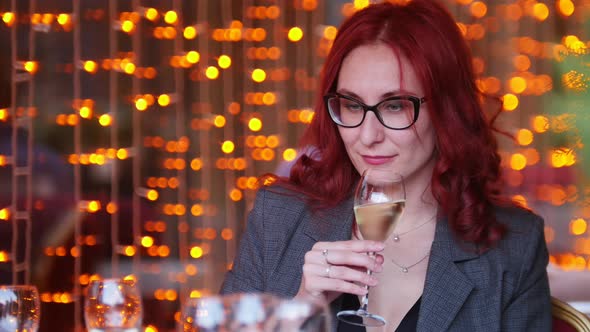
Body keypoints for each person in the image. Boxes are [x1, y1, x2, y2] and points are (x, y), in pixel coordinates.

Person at [221, 0, 551, 331]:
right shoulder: (278, 218)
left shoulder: (514, 245)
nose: (367, 135)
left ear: (446, 109)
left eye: (394, 106)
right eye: (351, 105)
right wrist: (302, 307)